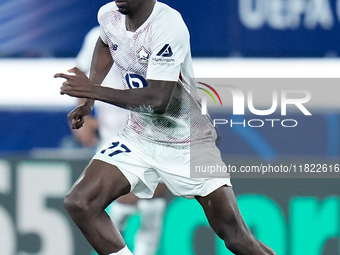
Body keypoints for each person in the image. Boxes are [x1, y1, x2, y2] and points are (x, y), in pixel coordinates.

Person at [55, 0, 276, 254]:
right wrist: (88, 102)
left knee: (236, 238)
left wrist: (94, 90)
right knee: (80, 202)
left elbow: (158, 100)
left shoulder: (168, 25)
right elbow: (106, 43)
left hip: (187, 141)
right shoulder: (108, 15)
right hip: (139, 136)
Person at [73, 26, 167, 255]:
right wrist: (81, 112)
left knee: (155, 197)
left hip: (158, 129)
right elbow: (82, 74)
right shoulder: (100, 34)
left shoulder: (164, 29)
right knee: (125, 198)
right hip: (116, 132)